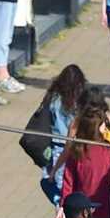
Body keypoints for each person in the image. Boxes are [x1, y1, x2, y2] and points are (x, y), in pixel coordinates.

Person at [58, 94, 110, 218]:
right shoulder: (109, 150)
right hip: (108, 210)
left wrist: (62, 206)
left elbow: (68, 182)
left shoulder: (76, 151)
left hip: (81, 211)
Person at [37, 63, 87, 203]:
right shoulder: (81, 101)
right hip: (77, 146)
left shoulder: (53, 97)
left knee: (53, 183)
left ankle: (61, 206)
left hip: (56, 146)